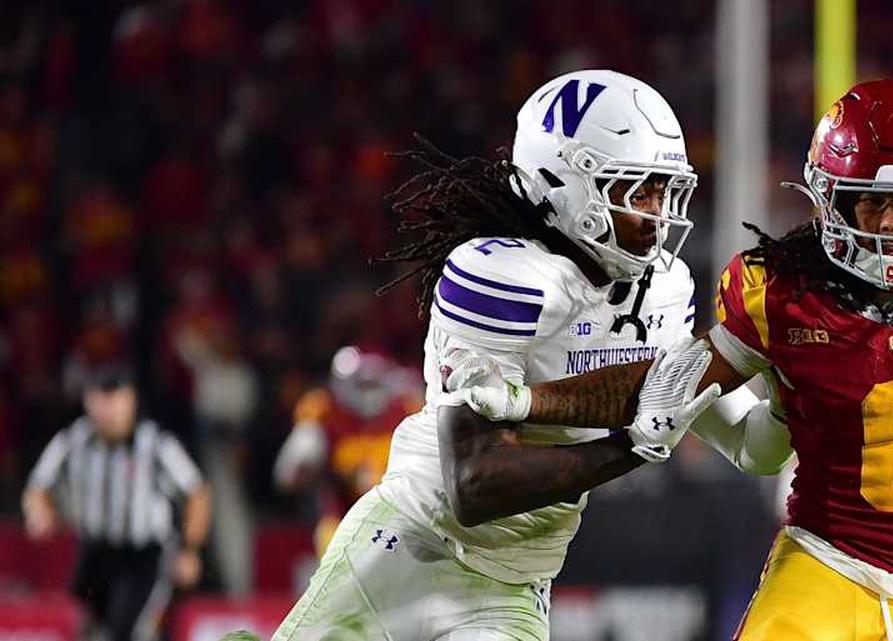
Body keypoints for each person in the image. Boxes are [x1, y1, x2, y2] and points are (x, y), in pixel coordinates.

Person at [454, 79, 893, 641]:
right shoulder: (783, 290)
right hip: (823, 565)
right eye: (875, 200)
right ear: (831, 199)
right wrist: (532, 399)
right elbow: (679, 379)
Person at [270, 69, 737, 641]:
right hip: (407, 548)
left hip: (512, 584)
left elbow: (750, 443)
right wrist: (632, 445)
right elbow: (477, 485)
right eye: (638, 190)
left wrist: (777, 355)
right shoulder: (502, 275)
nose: (657, 214)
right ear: (566, 183)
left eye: (665, 191)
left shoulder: (663, 290)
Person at [22, 361, 211, 641]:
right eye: (99, 401)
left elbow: (197, 492)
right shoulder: (74, 440)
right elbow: (38, 486)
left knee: (131, 631)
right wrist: (39, 512)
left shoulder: (156, 444)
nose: (106, 411)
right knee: (88, 627)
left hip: (144, 556)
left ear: (131, 400)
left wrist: (191, 549)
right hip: (95, 551)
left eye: (114, 401)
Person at [274, 345, 421, 554]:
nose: (367, 394)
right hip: (343, 518)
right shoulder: (325, 411)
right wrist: (327, 472)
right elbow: (288, 474)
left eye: (372, 385)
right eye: (361, 385)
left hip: (399, 517)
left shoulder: (406, 409)